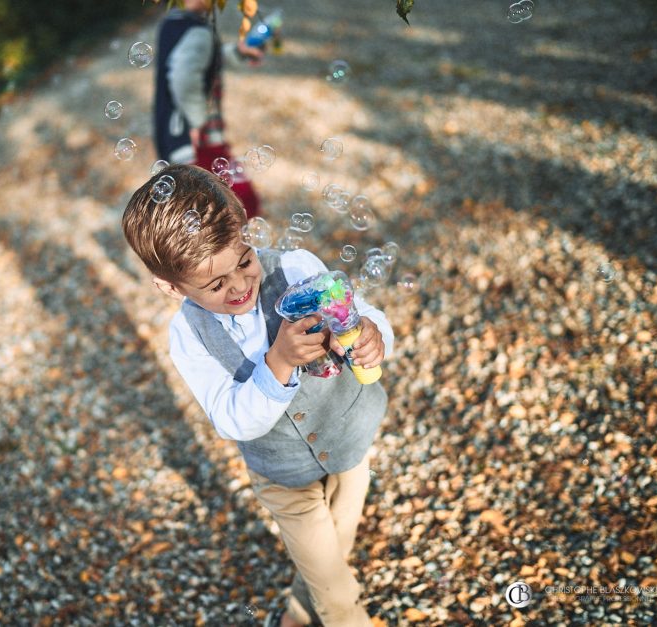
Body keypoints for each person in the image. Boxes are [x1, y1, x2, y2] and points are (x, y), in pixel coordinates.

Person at [122, 165, 393, 627]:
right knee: (333, 584)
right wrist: (279, 364)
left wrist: (372, 333)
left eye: (244, 262)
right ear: (170, 287)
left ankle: (297, 613)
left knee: (334, 549)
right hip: (284, 477)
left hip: (349, 439)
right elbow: (231, 420)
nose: (242, 286)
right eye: (215, 284)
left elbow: (359, 314)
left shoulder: (295, 267)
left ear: (247, 231)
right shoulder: (189, 335)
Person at [153, 0, 264, 218]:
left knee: (196, 206)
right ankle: (234, 249)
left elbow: (205, 58)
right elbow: (183, 79)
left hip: (171, 134)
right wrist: (198, 122)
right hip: (197, 139)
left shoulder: (171, 23)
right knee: (242, 202)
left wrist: (237, 51)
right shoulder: (197, 29)